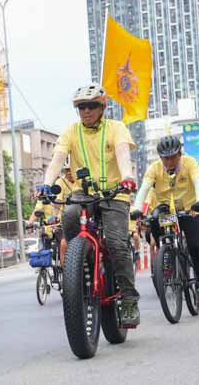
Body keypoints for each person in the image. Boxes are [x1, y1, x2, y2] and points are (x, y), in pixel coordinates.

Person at [36, 83, 140, 326]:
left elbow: (123, 154)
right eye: (82, 107)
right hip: (83, 194)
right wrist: (46, 184)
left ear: (102, 106)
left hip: (115, 193)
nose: (86, 111)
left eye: (92, 106)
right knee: (70, 217)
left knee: (116, 242)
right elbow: (57, 159)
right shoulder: (71, 132)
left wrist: (127, 177)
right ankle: (80, 267)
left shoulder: (117, 128)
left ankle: (128, 299)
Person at [133, 136, 199, 305]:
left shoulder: (189, 163)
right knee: (153, 219)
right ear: (160, 157)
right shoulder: (154, 168)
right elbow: (144, 188)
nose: (169, 161)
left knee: (196, 247)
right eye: (165, 158)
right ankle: (166, 252)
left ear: (179, 154)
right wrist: (137, 208)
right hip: (166, 208)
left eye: (173, 157)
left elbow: (198, 182)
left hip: (189, 209)